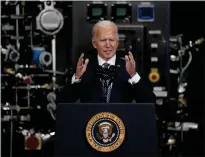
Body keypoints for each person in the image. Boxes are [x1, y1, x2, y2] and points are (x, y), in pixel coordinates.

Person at [58, 20, 155, 103]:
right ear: (94, 43)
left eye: (112, 40)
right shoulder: (83, 69)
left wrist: (134, 76)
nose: (108, 45)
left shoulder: (130, 68)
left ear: (117, 42)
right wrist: (77, 78)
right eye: (103, 40)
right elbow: (62, 102)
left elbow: (150, 101)